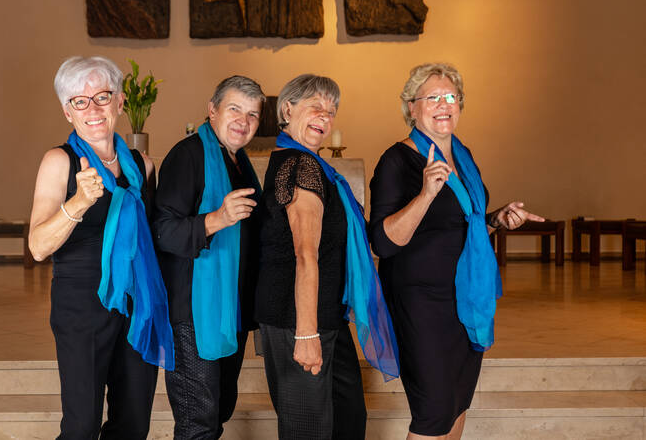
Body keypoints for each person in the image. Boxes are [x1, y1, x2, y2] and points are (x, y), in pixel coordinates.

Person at [369, 63, 544, 439]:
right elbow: (382, 242)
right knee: (433, 411)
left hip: (466, 299)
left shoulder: (464, 158)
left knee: (456, 404)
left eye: (451, 97)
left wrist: (498, 219)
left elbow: (462, 224)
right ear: (411, 108)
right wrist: (426, 194)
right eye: (432, 97)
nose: (443, 104)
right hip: (421, 303)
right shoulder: (397, 161)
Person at [29, 56, 174, 440]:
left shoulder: (143, 166)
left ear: (120, 102)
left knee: (132, 424)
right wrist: (77, 203)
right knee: (81, 426)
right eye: (79, 100)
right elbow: (38, 247)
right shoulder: (59, 161)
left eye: (102, 96)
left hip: (136, 303)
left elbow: (158, 239)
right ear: (67, 111)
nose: (93, 108)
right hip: (81, 305)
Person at [255, 74, 399, 440]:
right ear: (287, 109)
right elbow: (305, 255)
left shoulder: (317, 168)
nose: (325, 116)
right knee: (309, 430)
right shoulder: (300, 167)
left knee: (347, 421)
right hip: (298, 319)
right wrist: (306, 334)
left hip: (326, 315)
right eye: (315, 106)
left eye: (332, 110)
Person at [152, 75, 265, 439]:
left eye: (252, 115)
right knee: (197, 421)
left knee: (216, 412)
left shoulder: (237, 161)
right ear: (212, 110)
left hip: (227, 309)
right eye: (234, 109)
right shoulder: (188, 156)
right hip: (193, 313)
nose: (243, 121)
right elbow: (163, 231)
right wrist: (218, 218)